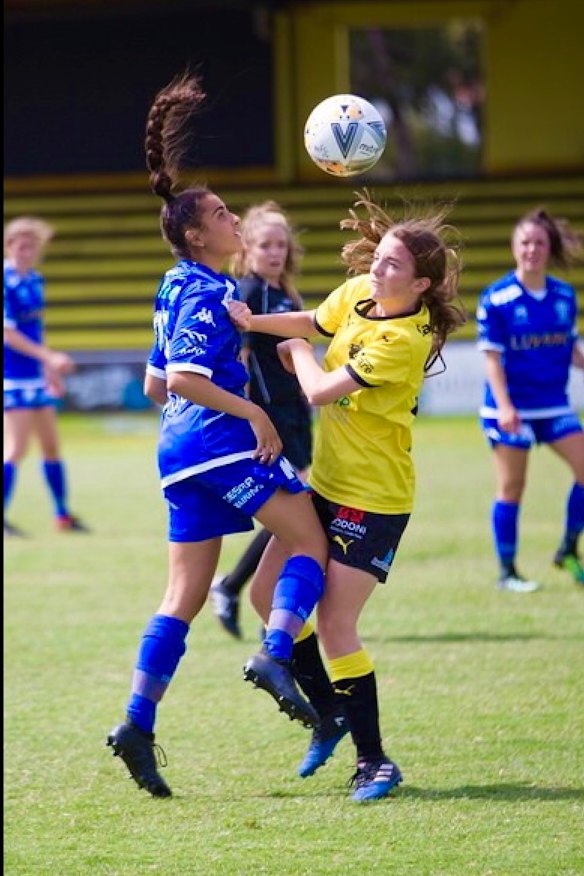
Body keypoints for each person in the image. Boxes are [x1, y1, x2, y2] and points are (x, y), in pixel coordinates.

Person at [105, 71, 329, 799]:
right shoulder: (208, 289)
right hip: (219, 442)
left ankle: (137, 723)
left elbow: (155, 386)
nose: (235, 220)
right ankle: (274, 653)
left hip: (178, 454)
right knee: (309, 540)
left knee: (183, 595)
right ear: (197, 234)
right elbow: (185, 378)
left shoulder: (171, 285)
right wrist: (256, 415)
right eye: (224, 214)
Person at [230, 194, 467, 802]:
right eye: (379, 256)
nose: (377, 268)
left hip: (375, 498)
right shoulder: (362, 293)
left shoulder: (403, 340)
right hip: (327, 483)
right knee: (263, 594)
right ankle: (329, 713)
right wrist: (253, 323)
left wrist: (298, 357)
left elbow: (319, 390)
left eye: (392, 265)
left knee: (336, 623)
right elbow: (314, 321)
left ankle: (374, 760)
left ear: (420, 284)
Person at [209, 200, 313, 638]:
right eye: (265, 244)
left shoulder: (286, 291)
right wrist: (251, 415)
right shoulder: (249, 293)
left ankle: (245, 593)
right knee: (295, 511)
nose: (274, 252)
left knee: (296, 511)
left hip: (296, 410)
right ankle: (243, 591)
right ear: (247, 248)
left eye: (280, 245)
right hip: (271, 415)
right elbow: (242, 358)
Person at [477, 207, 584, 593]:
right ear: (513, 247)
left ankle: (567, 548)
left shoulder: (564, 295)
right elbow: (492, 360)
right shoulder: (497, 297)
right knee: (512, 487)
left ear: (549, 247)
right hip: (511, 409)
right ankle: (507, 572)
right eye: (525, 242)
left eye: (539, 242)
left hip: (553, 405)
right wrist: (506, 407)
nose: (532, 249)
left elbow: (571, 350)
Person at [4, 216, 88, 536]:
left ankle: (62, 515)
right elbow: (8, 334)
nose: (28, 252)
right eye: (22, 246)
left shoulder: (35, 280)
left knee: (51, 446)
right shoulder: (5, 281)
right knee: (16, 448)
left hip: (36, 376)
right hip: (13, 378)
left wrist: (49, 368)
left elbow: (35, 330)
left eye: (33, 247)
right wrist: (49, 357)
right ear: (9, 246)